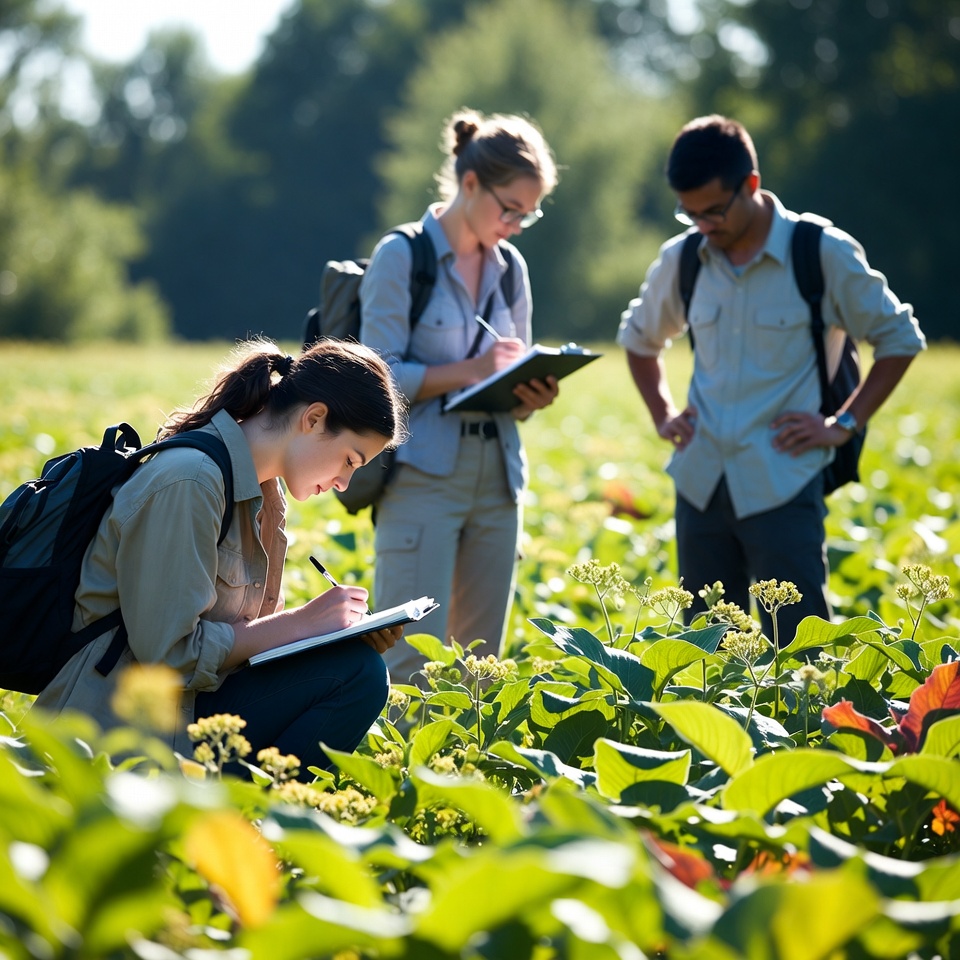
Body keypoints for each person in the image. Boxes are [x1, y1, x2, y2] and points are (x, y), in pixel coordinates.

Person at [617, 115, 925, 643]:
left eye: (713, 210)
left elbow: (899, 338)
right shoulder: (683, 258)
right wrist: (663, 413)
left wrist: (844, 421)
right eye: (689, 213)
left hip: (782, 484)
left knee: (797, 651)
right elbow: (638, 338)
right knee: (707, 657)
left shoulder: (819, 251)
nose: (702, 225)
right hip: (701, 484)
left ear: (751, 186)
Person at [34, 339, 407, 770]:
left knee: (356, 669)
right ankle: (241, 829)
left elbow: (246, 645)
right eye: (349, 460)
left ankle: (252, 828)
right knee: (357, 676)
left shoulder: (266, 494)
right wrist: (303, 623)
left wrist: (327, 635)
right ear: (314, 418)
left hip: (193, 708)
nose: (344, 482)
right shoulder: (189, 480)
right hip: (122, 727)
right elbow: (169, 654)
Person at [359, 108, 559, 683]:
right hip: (423, 476)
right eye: (511, 209)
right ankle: (399, 771)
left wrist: (530, 392)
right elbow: (379, 377)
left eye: (530, 213)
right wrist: (473, 369)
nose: (518, 224)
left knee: (479, 665)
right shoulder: (404, 256)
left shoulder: (511, 268)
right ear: (470, 184)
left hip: (498, 479)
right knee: (409, 660)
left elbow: (510, 371)